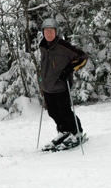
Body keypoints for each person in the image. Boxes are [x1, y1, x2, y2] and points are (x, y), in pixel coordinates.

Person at [38, 18, 89, 151]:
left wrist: (69, 69)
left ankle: (77, 133)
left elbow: (83, 57)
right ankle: (64, 131)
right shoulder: (43, 46)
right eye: (46, 30)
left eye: (51, 30)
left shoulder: (62, 46)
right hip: (48, 87)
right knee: (53, 113)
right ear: (43, 32)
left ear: (56, 31)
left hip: (60, 86)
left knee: (65, 112)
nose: (49, 33)